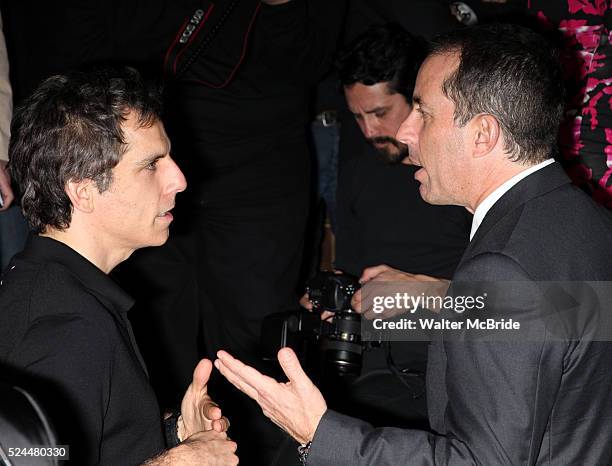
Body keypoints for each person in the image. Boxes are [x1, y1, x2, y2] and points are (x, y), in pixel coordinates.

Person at [214, 23, 612, 465]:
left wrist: (319, 433)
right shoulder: (590, 221)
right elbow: (551, 331)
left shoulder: (501, 263)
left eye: (423, 112)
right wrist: (435, 298)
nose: (406, 133)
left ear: (482, 134)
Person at [0, 67, 238, 465]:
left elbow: (79, 445)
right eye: (151, 164)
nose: (178, 179)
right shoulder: (69, 329)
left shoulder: (58, 288)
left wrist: (176, 433)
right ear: (84, 190)